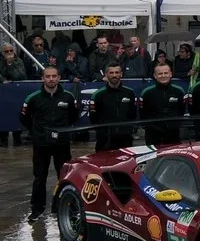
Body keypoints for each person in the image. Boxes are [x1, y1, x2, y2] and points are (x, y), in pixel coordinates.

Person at [21, 66, 77, 222]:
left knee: (65, 176)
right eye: (48, 76)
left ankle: (64, 207)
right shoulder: (33, 98)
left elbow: (73, 116)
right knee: (39, 177)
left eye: (54, 76)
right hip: (41, 144)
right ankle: (37, 209)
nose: (51, 79)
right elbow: (24, 118)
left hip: (62, 144)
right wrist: (37, 132)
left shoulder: (68, 97)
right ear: (42, 78)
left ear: (59, 77)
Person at [90, 62, 138, 152]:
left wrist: (127, 130)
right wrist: (103, 132)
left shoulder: (130, 93)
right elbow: (93, 118)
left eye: (117, 72)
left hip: (125, 139)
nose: (114, 75)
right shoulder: (98, 95)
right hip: (104, 140)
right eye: (111, 73)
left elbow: (133, 114)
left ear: (121, 74)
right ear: (106, 75)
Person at [139, 63, 186, 146]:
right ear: (155, 75)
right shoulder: (146, 93)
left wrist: (174, 124)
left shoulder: (179, 91)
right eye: (160, 74)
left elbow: (181, 110)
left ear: (170, 74)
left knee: (172, 158)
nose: (163, 76)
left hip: (173, 133)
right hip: (152, 134)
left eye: (166, 73)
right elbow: (143, 113)